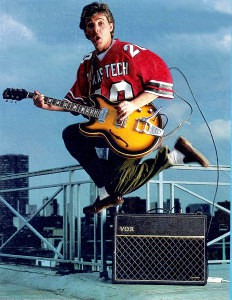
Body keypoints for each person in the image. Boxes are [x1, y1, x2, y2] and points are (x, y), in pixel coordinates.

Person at [33, 2, 209, 215]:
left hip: (133, 129)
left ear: (111, 26)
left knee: (118, 185)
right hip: (106, 132)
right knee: (71, 135)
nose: (96, 29)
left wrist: (134, 104)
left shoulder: (129, 52)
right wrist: (46, 105)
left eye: (100, 23)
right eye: (90, 25)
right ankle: (104, 190)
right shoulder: (87, 65)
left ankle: (173, 157)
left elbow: (159, 84)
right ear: (86, 32)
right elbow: (75, 103)